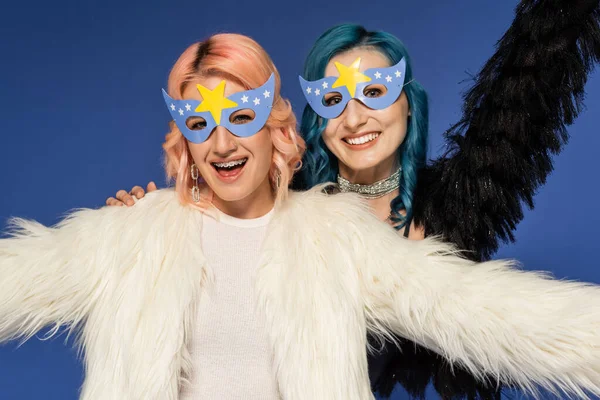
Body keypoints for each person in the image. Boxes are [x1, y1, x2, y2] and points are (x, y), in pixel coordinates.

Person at [107, 1, 600, 398]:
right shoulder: (289, 208)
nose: (356, 117)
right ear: (316, 118)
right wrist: (146, 220)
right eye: (333, 100)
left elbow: (526, 88)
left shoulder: (458, 199)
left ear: (408, 100)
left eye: (374, 92)